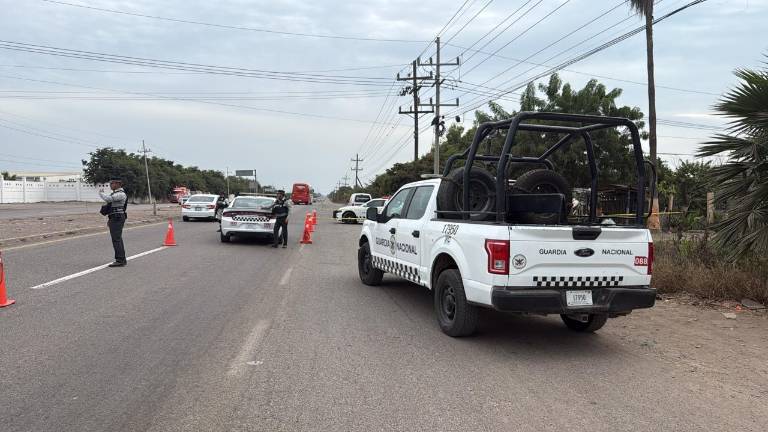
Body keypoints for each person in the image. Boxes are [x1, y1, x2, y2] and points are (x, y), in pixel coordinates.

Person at [99, 178, 128, 267]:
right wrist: (110, 219)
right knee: (117, 239)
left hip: (117, 218)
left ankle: (120, 260)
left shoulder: (121, 194)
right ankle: (121, 259)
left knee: (116, 239)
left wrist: (101, 193)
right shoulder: (116, 193)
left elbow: (108, 199)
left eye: (112, 184)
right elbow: (111, 207)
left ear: (117, 184)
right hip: (114, 217)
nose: (110, 185)